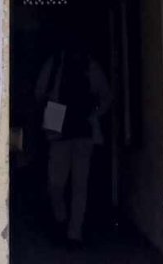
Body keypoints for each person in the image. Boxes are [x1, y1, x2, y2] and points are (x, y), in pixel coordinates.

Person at [34, 38, 113, 244]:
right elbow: (39, 92)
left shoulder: (85, 65)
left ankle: (72, 232)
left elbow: (106, 96)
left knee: (75, 184)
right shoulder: (59, 63)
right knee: (59, 183)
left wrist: (93, 113)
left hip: (79, 129)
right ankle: (65, 222)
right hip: (64, 128)